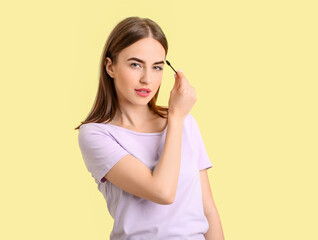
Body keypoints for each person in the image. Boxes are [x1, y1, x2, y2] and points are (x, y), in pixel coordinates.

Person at [75, 16, 224, 240]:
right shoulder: (96, 134)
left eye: (157, 67)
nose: (147, 79)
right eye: (135, 64)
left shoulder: (185, 121)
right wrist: (175, 117)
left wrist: (177, 118)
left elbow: (209, 211)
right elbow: (162, 192)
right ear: (110, 67)